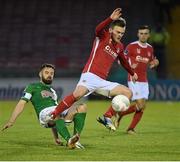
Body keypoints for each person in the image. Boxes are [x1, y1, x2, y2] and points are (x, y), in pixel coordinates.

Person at [50, 8, 138, 131]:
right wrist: (110, 19)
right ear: (111, 30)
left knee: (128, 93)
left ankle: (107, 116)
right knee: (77, 95)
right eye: (118, 32)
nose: (120, 35)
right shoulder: (103, 36)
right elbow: (97, 29)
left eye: (122, 33)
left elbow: (123, 61)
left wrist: (132, 73)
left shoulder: (119, 46)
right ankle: (54, 114)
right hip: (90, 76)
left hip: (102, 81)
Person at [1, 63, 87, 149]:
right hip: (44, 114)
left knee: (82, 107)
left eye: (51, 73)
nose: (49, 75)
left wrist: (56, 138)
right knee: (56, 114)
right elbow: (21, 103)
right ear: (40, 74)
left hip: (55, 114)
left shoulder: (53, 91)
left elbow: (56, 113)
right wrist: (11, 121)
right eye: (46, 72)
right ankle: (69, 140)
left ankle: (76, 139)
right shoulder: (32, 87)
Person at [98, 25, 159, 134]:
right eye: (141, 33)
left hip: (144, 81)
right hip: (133, 79)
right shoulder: (131, 46)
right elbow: (120, 60)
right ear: (138, 34)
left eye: (145, 33)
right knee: (139, 104)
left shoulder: (150, 48)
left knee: (142, 107)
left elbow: (152, 60)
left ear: (149, 35)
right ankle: (125, 124)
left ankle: (123, 118)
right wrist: (131, 66)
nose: (143, 35)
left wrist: (155, 62)